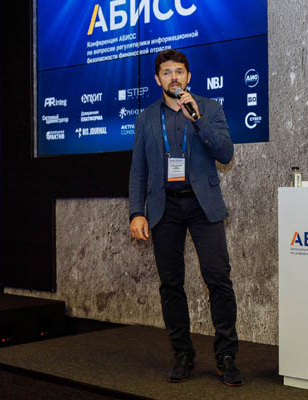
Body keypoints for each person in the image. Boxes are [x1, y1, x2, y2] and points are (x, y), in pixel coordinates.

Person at [128, 49, 243, 386]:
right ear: (157, 79)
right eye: (167, 72)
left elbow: (225, 153)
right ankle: (182, 354)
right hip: (165, 207)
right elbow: (138, 170)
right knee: (171, 284)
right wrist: (137, 212)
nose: (174, 77)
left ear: (188, 77)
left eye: (179, 71)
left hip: (203, 204)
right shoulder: (146, 118)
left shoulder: (209, 108)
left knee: (218, 279)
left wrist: (198, 119)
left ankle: (226, 356)